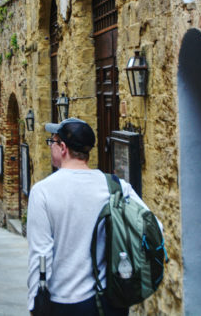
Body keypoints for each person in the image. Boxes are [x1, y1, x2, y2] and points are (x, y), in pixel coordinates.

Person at [27, 118, 150, 315]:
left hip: (65, 301)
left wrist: (35, 303)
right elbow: (153, 228)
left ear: (63, 147)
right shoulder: (115, 186)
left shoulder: (43, 191)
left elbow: (40, 254)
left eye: (52, 142)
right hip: (110, 301)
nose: (50, 147)